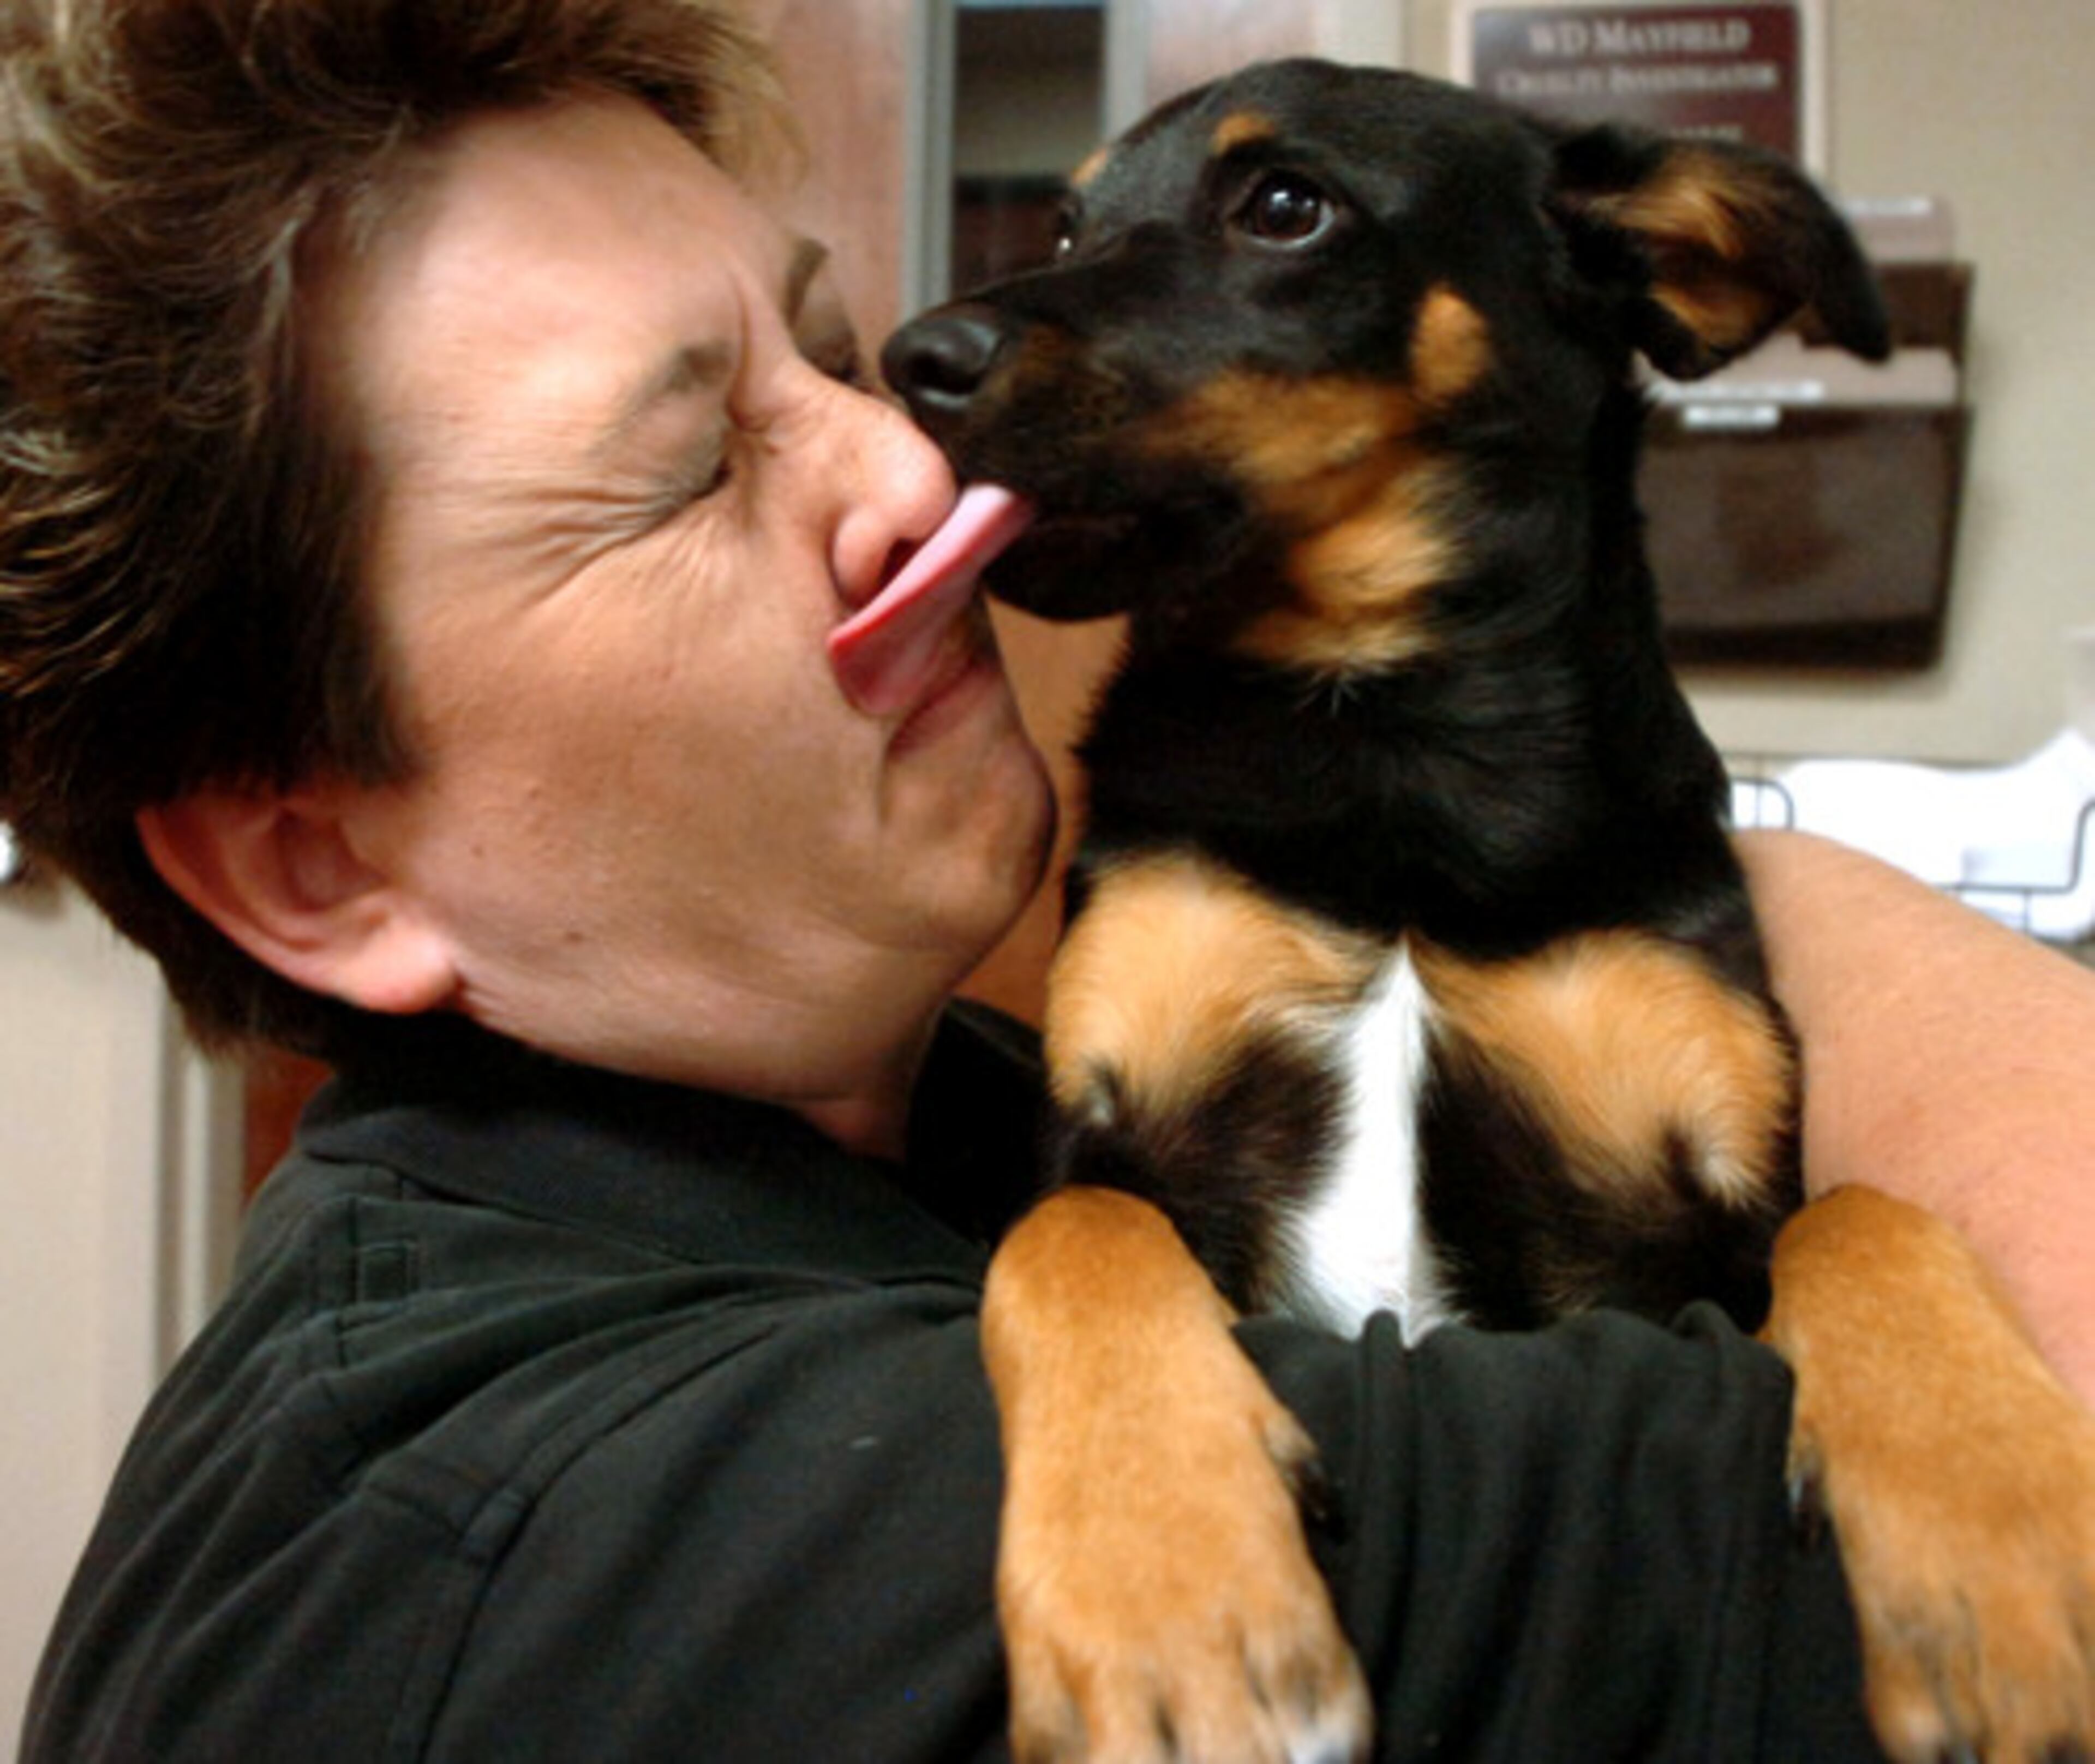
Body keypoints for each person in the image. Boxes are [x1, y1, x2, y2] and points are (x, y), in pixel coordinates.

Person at [3, 1, 2090, 1759]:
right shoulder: (574, 1568)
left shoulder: (930, 1122)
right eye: (688, 466)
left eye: (831, 357)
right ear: (320, 868)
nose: (922, 471)